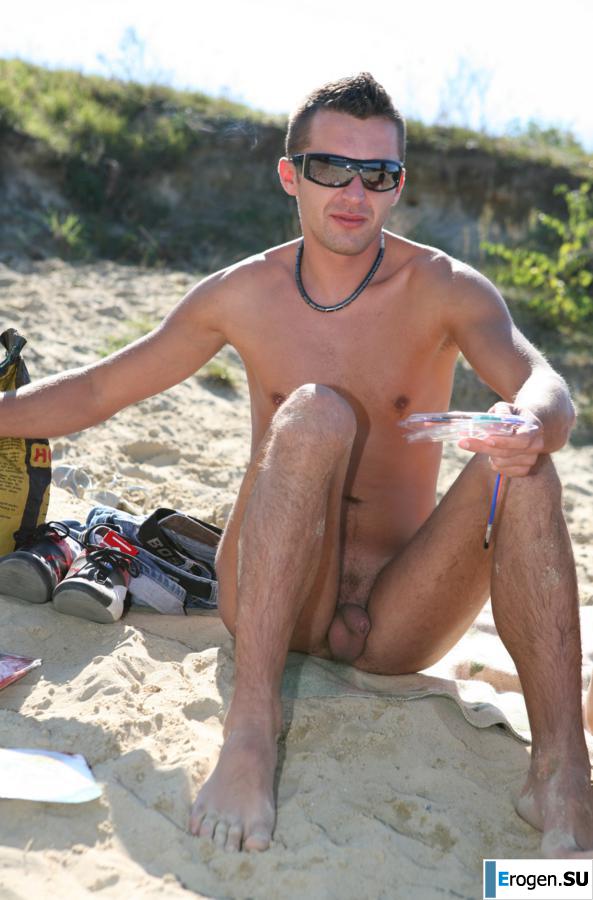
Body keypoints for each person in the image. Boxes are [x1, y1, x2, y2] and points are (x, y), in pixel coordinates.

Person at [1, 72, 591, 857]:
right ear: (290, 174)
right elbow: (105, 386)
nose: (353, 189)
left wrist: (532, 422)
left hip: (398, 619)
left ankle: (558, 769)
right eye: (329, 167)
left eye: (376, 174)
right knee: (315, 411)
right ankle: (250, 732)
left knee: (526, 466)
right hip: (272, 597)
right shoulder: (242, 292)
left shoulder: (444, 287)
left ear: (397, 186)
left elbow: (543, 382)